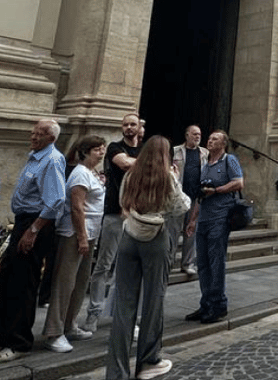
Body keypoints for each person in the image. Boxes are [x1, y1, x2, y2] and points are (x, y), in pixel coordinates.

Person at [106, 136, 189, 380]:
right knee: (154, 300)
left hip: (129, 237)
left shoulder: (131, 175)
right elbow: (181, 206)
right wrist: (177, 177)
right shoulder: (168, 177)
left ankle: (116, 372)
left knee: (123, 304)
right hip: (157, 237)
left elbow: (123, 201)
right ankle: (148, 362)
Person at [0, 119, 66, 365]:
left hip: (35, 224)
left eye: (39, 133)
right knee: (10, 279)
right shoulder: (36, 156)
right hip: (24, 222)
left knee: (23, 283)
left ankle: (18, 342)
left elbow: (55, 201)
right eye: (33, 131)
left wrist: (32, 231)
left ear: (51, 138)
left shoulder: (51, 160)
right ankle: (6, 337)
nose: (33, 135)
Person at [43, 135, 106, 352]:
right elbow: (77, 207)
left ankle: (70, 324)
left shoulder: (92, 173)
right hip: (74, 234)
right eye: (97, 149)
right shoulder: (80, 173)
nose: (101, 152)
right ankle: (54, 332)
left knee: (80, 282)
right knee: (65, 283)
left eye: (103, 149)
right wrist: (81, 237)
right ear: (85, 152)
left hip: (89, 234)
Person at [84, 112, 143, 332]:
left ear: (139, 127)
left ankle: (124, 315)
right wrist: (149, 163)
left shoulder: (143, 149)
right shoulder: (114, 147)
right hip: (114, 214)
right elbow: (125, 164)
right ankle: (93, 314)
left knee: (128, 268)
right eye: (126, 124)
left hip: (137, 216)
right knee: (103, 265)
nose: (129, 127)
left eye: (133, 124)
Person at [184, 130, 243, 322]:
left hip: (221, 216)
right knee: (202, 263)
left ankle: (218, 304)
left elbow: (238, 183)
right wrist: (193, 220)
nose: (210, 141)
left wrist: (217, 190)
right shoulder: (205, 163)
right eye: (209, 138)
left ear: (223, 144)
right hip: (204, 219)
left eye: (214, 139)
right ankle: (205, 303)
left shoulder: (229, 160)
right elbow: (202, 195)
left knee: (216, 261)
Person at [169, 125, 204, 275]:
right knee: (172, 232)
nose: (197, 137)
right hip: (178, 197)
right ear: (187, 135)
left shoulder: (204, 153)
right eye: (194, 134)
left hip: (195, 198)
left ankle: (188, 263)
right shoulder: (176, 151)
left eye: (199, 134)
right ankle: (168, 263)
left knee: (191, 232)